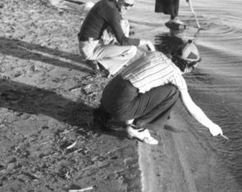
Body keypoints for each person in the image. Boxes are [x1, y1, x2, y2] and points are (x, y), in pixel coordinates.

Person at [93, 40, 223, 145]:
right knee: (173, 92)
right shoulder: (176, 76)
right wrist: (212, 126)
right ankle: (137, 128)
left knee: (142, 84)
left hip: (107, 95)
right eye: (193, 67)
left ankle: (105, 115)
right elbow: (192, 109)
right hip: (120, 107)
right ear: (189, 66)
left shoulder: (155, 55)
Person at [78, 0, 155, 76]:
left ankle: (117, 57)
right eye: (126, 4)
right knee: (131, 50)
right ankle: (102, 66)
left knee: (124, 24)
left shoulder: (108, 3)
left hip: (90, 40)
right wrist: (147, 42)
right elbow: (123, 40)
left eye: (131, 5)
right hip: (89, 48)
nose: (128, 8)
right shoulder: (112, 11)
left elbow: (118, 25)